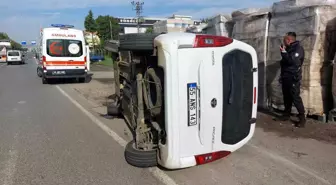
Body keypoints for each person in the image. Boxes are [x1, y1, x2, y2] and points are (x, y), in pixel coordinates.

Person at [279, 32, 306, 127]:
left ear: (289, 40)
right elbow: (285, 63)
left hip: (293, 78)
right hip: (286, 77)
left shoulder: (298, 49)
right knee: (287, 97)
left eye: (284, 40)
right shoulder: (289, 49)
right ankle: (286, 115)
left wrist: (284, 53)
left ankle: (302, 118)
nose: (283, 41)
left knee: (295, 97)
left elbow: (292, 62)